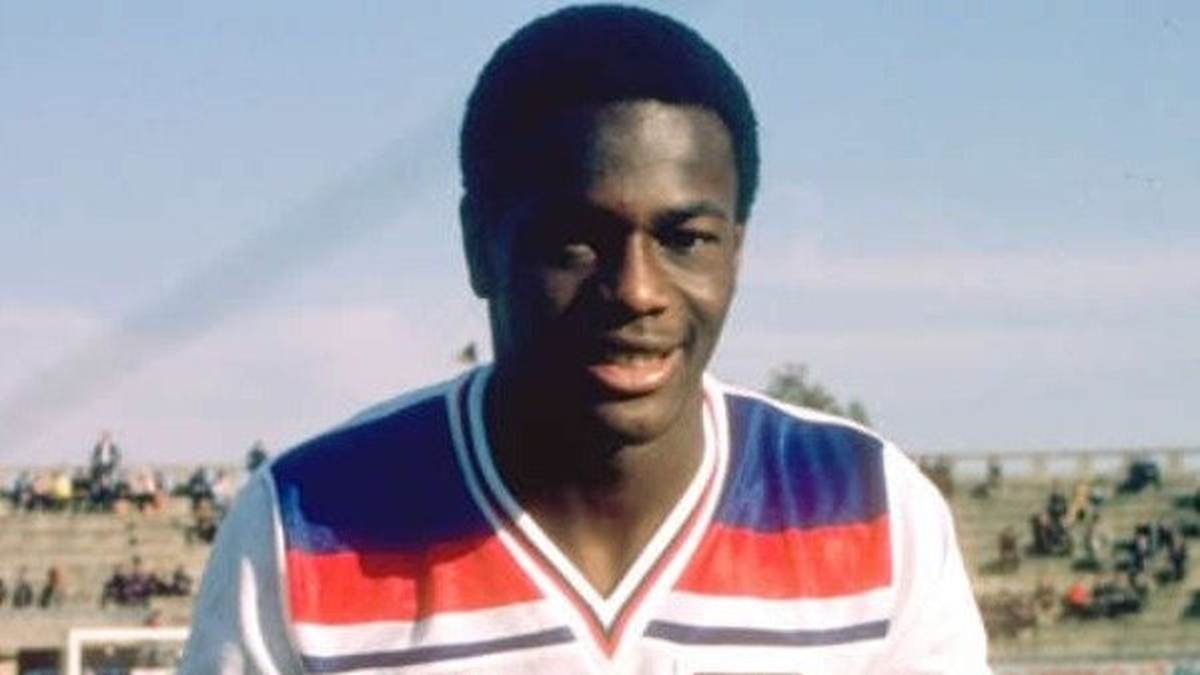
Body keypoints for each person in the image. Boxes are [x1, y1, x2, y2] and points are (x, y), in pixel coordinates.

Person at [179, 6, 991, 674]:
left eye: (685, 239)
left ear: (736, 251)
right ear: (480, 246)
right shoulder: (302, 527)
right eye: (576, 240)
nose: (636, 289)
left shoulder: (875, 511)